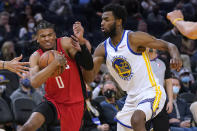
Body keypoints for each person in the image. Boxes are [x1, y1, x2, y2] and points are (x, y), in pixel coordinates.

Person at [81, 4, 182, 131]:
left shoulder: (134, 38)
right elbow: (89, 78)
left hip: (151, 91)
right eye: (102, 19)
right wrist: (84, 53)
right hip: (131, 97)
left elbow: (169, 45)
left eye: (106, 20)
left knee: (137, 119)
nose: (102, 23)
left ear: (119, 21)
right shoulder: (102, 49)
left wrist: (175, 55)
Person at [19, 20, 93, 131]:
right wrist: (54, 64)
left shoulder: (65, 43)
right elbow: (34, 82)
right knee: (28, 126)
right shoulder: (36, 56)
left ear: (55, 35)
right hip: (53, 101)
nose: (47, 38)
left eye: (50, 35)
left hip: (75, 103)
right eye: (43, 36)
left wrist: (82, 42)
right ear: (37, 39)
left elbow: (88, 64)